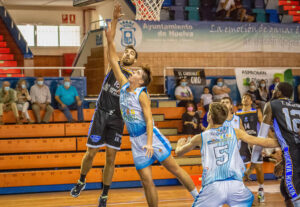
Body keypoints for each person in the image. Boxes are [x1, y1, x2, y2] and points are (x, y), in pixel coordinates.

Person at [105, 21, 198, 207]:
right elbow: (112, 57)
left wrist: (149, 143)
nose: (134, 70)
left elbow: (149, 121)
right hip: (135, 140)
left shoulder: (142, 94)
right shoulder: (123, 83)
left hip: (151, 138)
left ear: (140, 81)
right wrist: (110, 35)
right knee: (146, 180)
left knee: (175, 170)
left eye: (138, 72)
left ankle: (200, 198)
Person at [70, 4, 137, 207]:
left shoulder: (133, 79)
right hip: (101, 114)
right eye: (126, 52)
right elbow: (110, 40)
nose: (127, 54)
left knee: (110, 157)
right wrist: (115, 19)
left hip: (117, 119)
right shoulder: (113, 65)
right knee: (91, 152)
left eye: (132, 54)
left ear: (135, 60)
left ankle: (105, 194)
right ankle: (82, 180)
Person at [175, 102, 279, 207]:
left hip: (213, 186)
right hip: (235, 185)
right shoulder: (235, 132)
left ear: (209, 116)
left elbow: (179, 153)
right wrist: (284, 141)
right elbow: (261, 141)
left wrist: (179, 145)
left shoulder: (200, 137)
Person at [251, 82, 300, 207]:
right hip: (294, 148)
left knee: (291, 186)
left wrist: (255, 158)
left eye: (274, 90)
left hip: (292, 150)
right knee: (284, 187)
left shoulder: (271, 104)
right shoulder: (298, 106)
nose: (272, 92)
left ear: (278, 92)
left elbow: (262, 135)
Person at [236, 93, 265, 203]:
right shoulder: (236, 114)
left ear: (251, 101)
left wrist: (262, 140)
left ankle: (261, 190)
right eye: (243, 98)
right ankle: (242, 193)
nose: (245, 99)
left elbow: (263, 125)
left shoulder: (256, 111)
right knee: (241, 169)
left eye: (248, 98)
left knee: (258, 167)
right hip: (243, 142)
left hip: (255, 141)